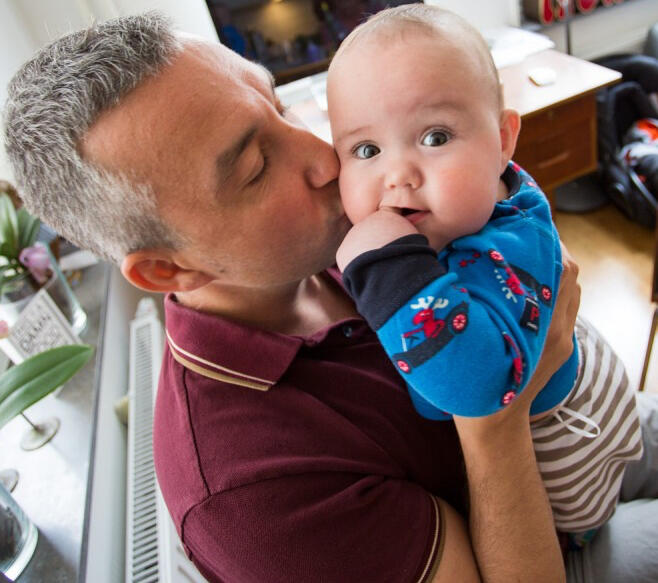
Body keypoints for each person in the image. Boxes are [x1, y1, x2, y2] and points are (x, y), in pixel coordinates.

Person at [3, 11, 658, 583]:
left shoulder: (335, 233)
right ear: (168, 269)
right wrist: (498, 413)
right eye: (256, 168)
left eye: (281, 106)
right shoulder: (254, 498)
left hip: (594, 414)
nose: (327, 157)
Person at [325, 4, 641, 542]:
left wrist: (387, 271)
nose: (398, 175)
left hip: (571, 459)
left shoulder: (507, 246)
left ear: (503, 141)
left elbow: (473, 390)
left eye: (435, 137)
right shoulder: (480, 200)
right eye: (366, 149)